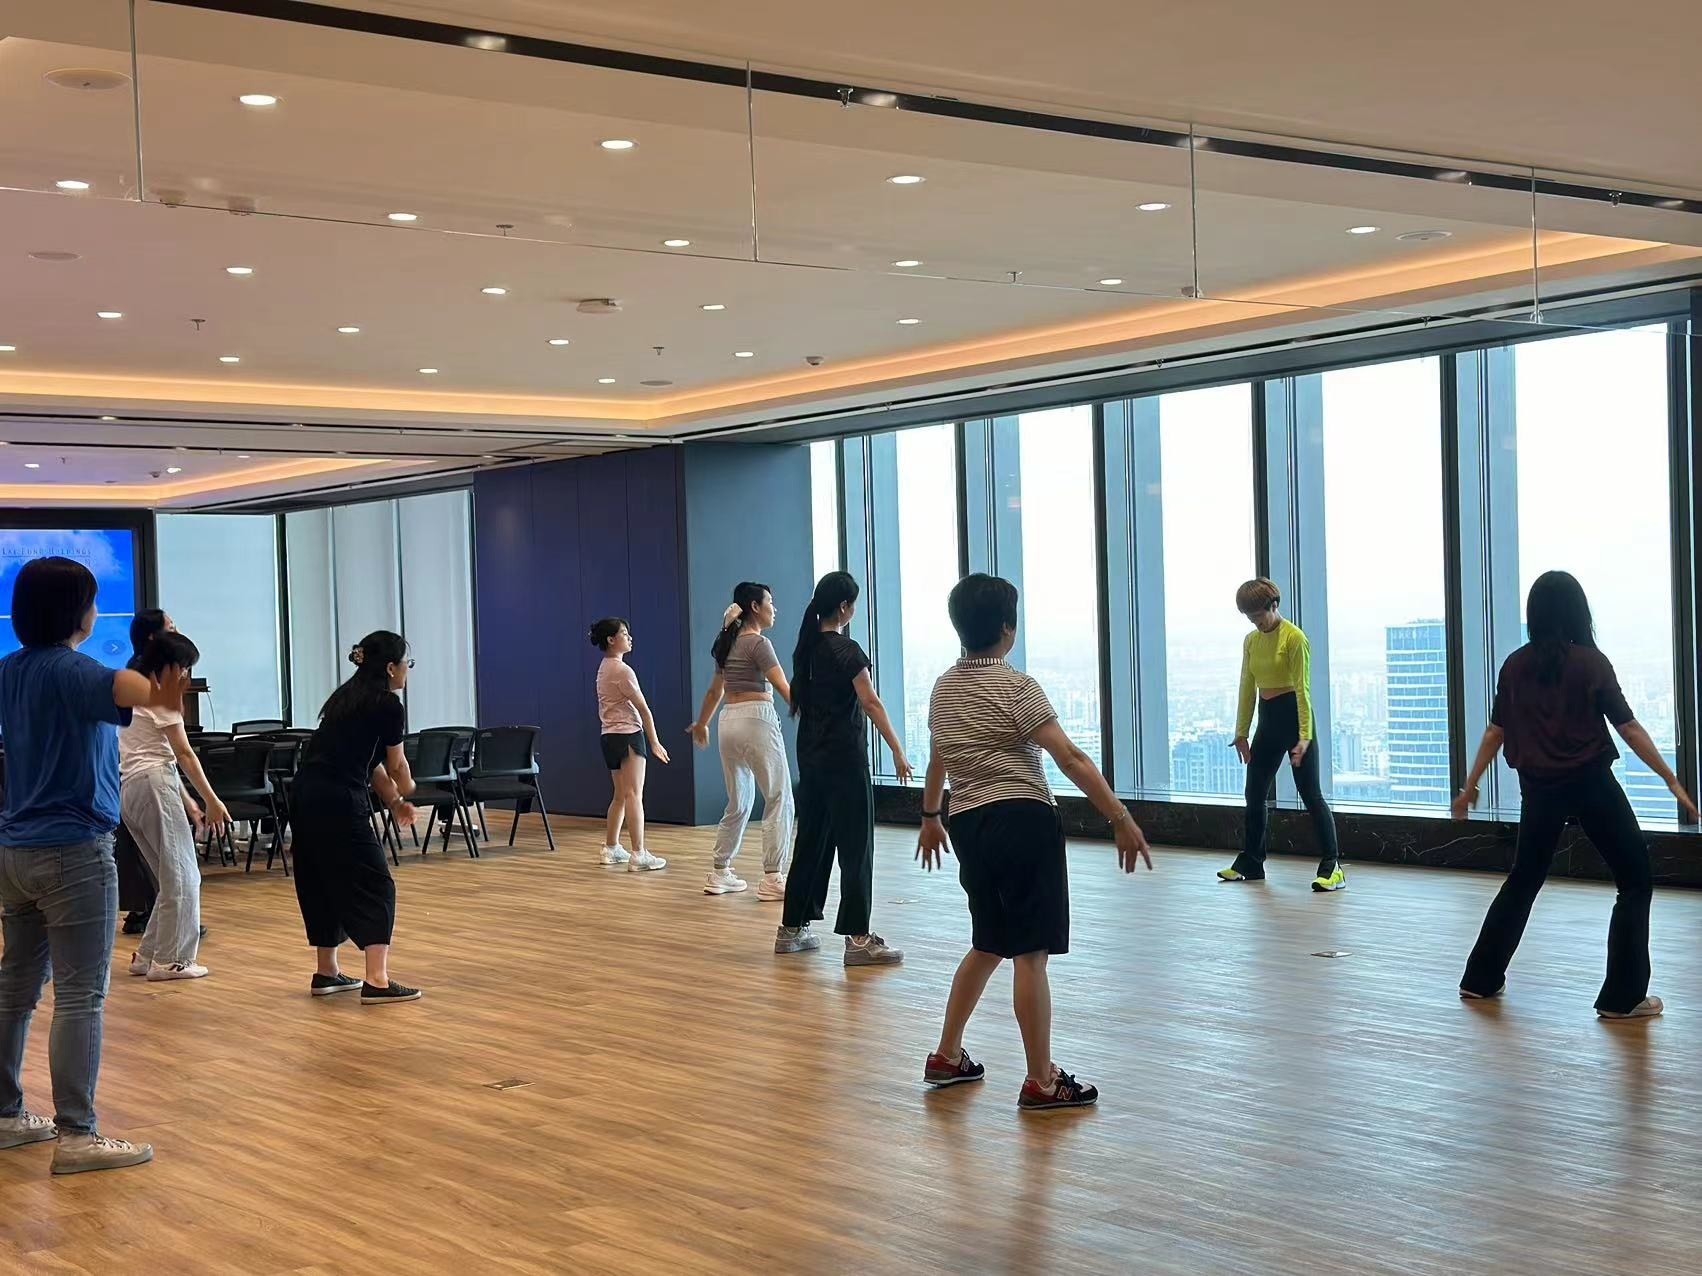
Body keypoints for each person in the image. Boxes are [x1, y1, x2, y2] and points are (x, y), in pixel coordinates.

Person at [917, 573, 1152, 1111]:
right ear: (1008, 628)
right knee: (1030, 952)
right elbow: (1070, 758)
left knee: (988, 942)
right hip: (1023, 819)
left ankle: (947, 1055)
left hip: (968, 822)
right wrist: (1119, 816)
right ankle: (1042, 1081)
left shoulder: (943, 688)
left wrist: (930, 816)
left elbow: (938, 760)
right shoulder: (1017, 687)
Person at [0, 556, 188, 1174]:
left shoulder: (10, 669)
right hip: (74, 851)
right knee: (81, 995)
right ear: (76, 611)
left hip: (15, 851)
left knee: (15, 989)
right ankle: (77, 1136)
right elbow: (134, 692)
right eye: (91, 601)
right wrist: (160, 676)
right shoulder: (75, 670)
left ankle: (5, 1115)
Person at [1454, 571, 1696, 1019]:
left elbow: (1495, 731)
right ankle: (1623, 998)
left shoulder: (1514, 665)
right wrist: (1670, 779)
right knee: (1634, 880)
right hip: (1590, 784)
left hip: (1539, 789)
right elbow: (1628, 728)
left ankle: (1479, 980)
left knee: (1524, 879)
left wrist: (1469, 787)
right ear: (1577, 613)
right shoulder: (1590, 663)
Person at [776, 571, 911, 965]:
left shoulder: (806, 650)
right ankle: (858, 939)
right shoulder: (846, 650)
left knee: (811, 842)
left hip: (811, 759)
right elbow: (870, 702)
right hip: (845, 761)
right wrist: (897, 750)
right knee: (856, 847)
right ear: (843, 607)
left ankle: (791, 929)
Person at [289, 631, 422, 1005]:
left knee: (321, 878)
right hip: (339, 799)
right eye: (407, 664)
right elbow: (396, 765)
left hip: (305, 795)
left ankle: (327, 972)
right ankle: (377, 980)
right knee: (376, 883)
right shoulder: (388, 704)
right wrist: (410, 788)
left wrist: (394, 801)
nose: (407, 671)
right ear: (391, 667)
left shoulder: (345, 698)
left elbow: (371, 764)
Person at [117, 631, 231, 982]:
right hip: (153, 785)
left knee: (171, 879)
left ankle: (147, 955)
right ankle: (173, 960)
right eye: (184, 668)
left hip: (132, 788)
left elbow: (157, 754)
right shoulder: (162, 697)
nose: (185, 676)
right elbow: (183, 753)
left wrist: (189, 800)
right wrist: (212, 799)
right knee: (184, 877)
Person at [1220, 578, 1345, 891]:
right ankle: (1252, 862)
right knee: (1254, 793)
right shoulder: (1251, 641)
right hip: (1268, 721)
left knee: (1310, 794)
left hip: (1295, 719)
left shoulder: (1294, 638)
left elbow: (1302, 690)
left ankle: (1333, 867)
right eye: (1250, 618)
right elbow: (1247, 686)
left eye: (1258, 616)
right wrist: (1241, 732)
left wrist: (1304, 736)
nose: (1256, 623)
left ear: (1273, 605)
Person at [688, 582, 795, 900]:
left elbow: (714, 692)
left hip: (728, 721)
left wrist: (702, 724)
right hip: (756, 718)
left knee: (739, 801)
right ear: (754, 607)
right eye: (770, 602)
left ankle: (720, 872)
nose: (774, 608)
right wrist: (812, 714)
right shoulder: (759, 643)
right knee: (779, 797)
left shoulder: (727, 644)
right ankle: (773, 877)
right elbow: (782, 685)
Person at [589, 617, 669, 872]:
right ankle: (639, 853)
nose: (630, 638)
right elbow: (644, 710)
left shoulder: (604, 668)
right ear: (611, 640)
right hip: (628, 735)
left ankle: (611, 848)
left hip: (609, 737)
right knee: (634, 794)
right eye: (624, 633)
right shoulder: (623, 671)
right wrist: (654, 742)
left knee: (621, 795)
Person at [117, 608, 172, 934]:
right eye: (171, 627)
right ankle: (169, 941)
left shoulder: (133, 674)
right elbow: (182, 751)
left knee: (165, 867)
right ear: (153, 637)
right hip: (149, 778)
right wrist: (208, 798)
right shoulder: (151, 679)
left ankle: (155, 930)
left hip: (137, 776)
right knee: (176, 871)